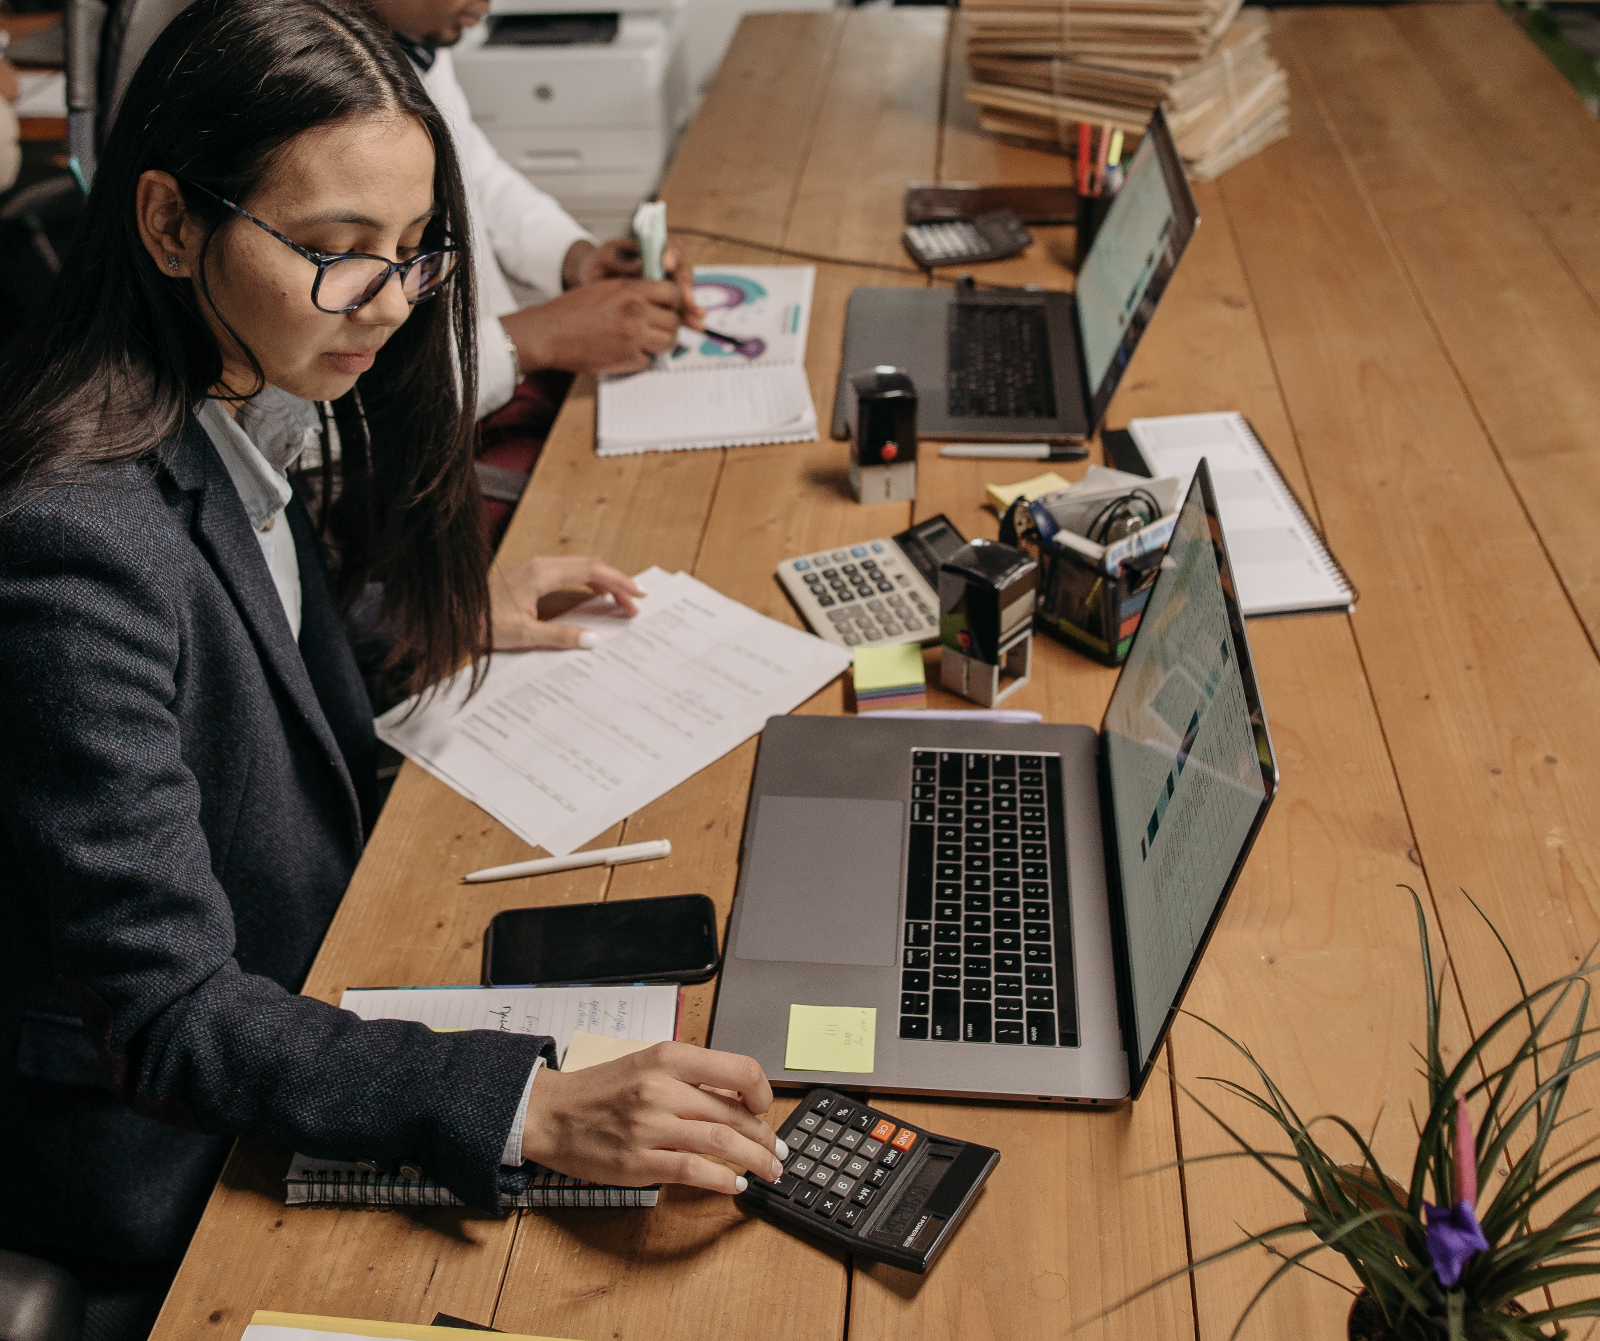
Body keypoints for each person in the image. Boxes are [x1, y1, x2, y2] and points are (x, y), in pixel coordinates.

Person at [0, 0, 782, 1307]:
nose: (392, 302)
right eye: (335, 250)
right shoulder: (70, 546)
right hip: (167, 1155)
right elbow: (174, 1018)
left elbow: (234, 656)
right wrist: (531, 1107)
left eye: (416, 252)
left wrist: (429, 622)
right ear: (170, 223)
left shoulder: (224, 400)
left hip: (306, 973)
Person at [367, 0, 706, 538]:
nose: (486, 5)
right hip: (406, 469)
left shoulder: (415, 37)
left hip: (489, 391)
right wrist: (532, 339)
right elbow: (344, 405)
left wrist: (578, 260)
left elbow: (476, 175)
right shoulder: (295, 89)